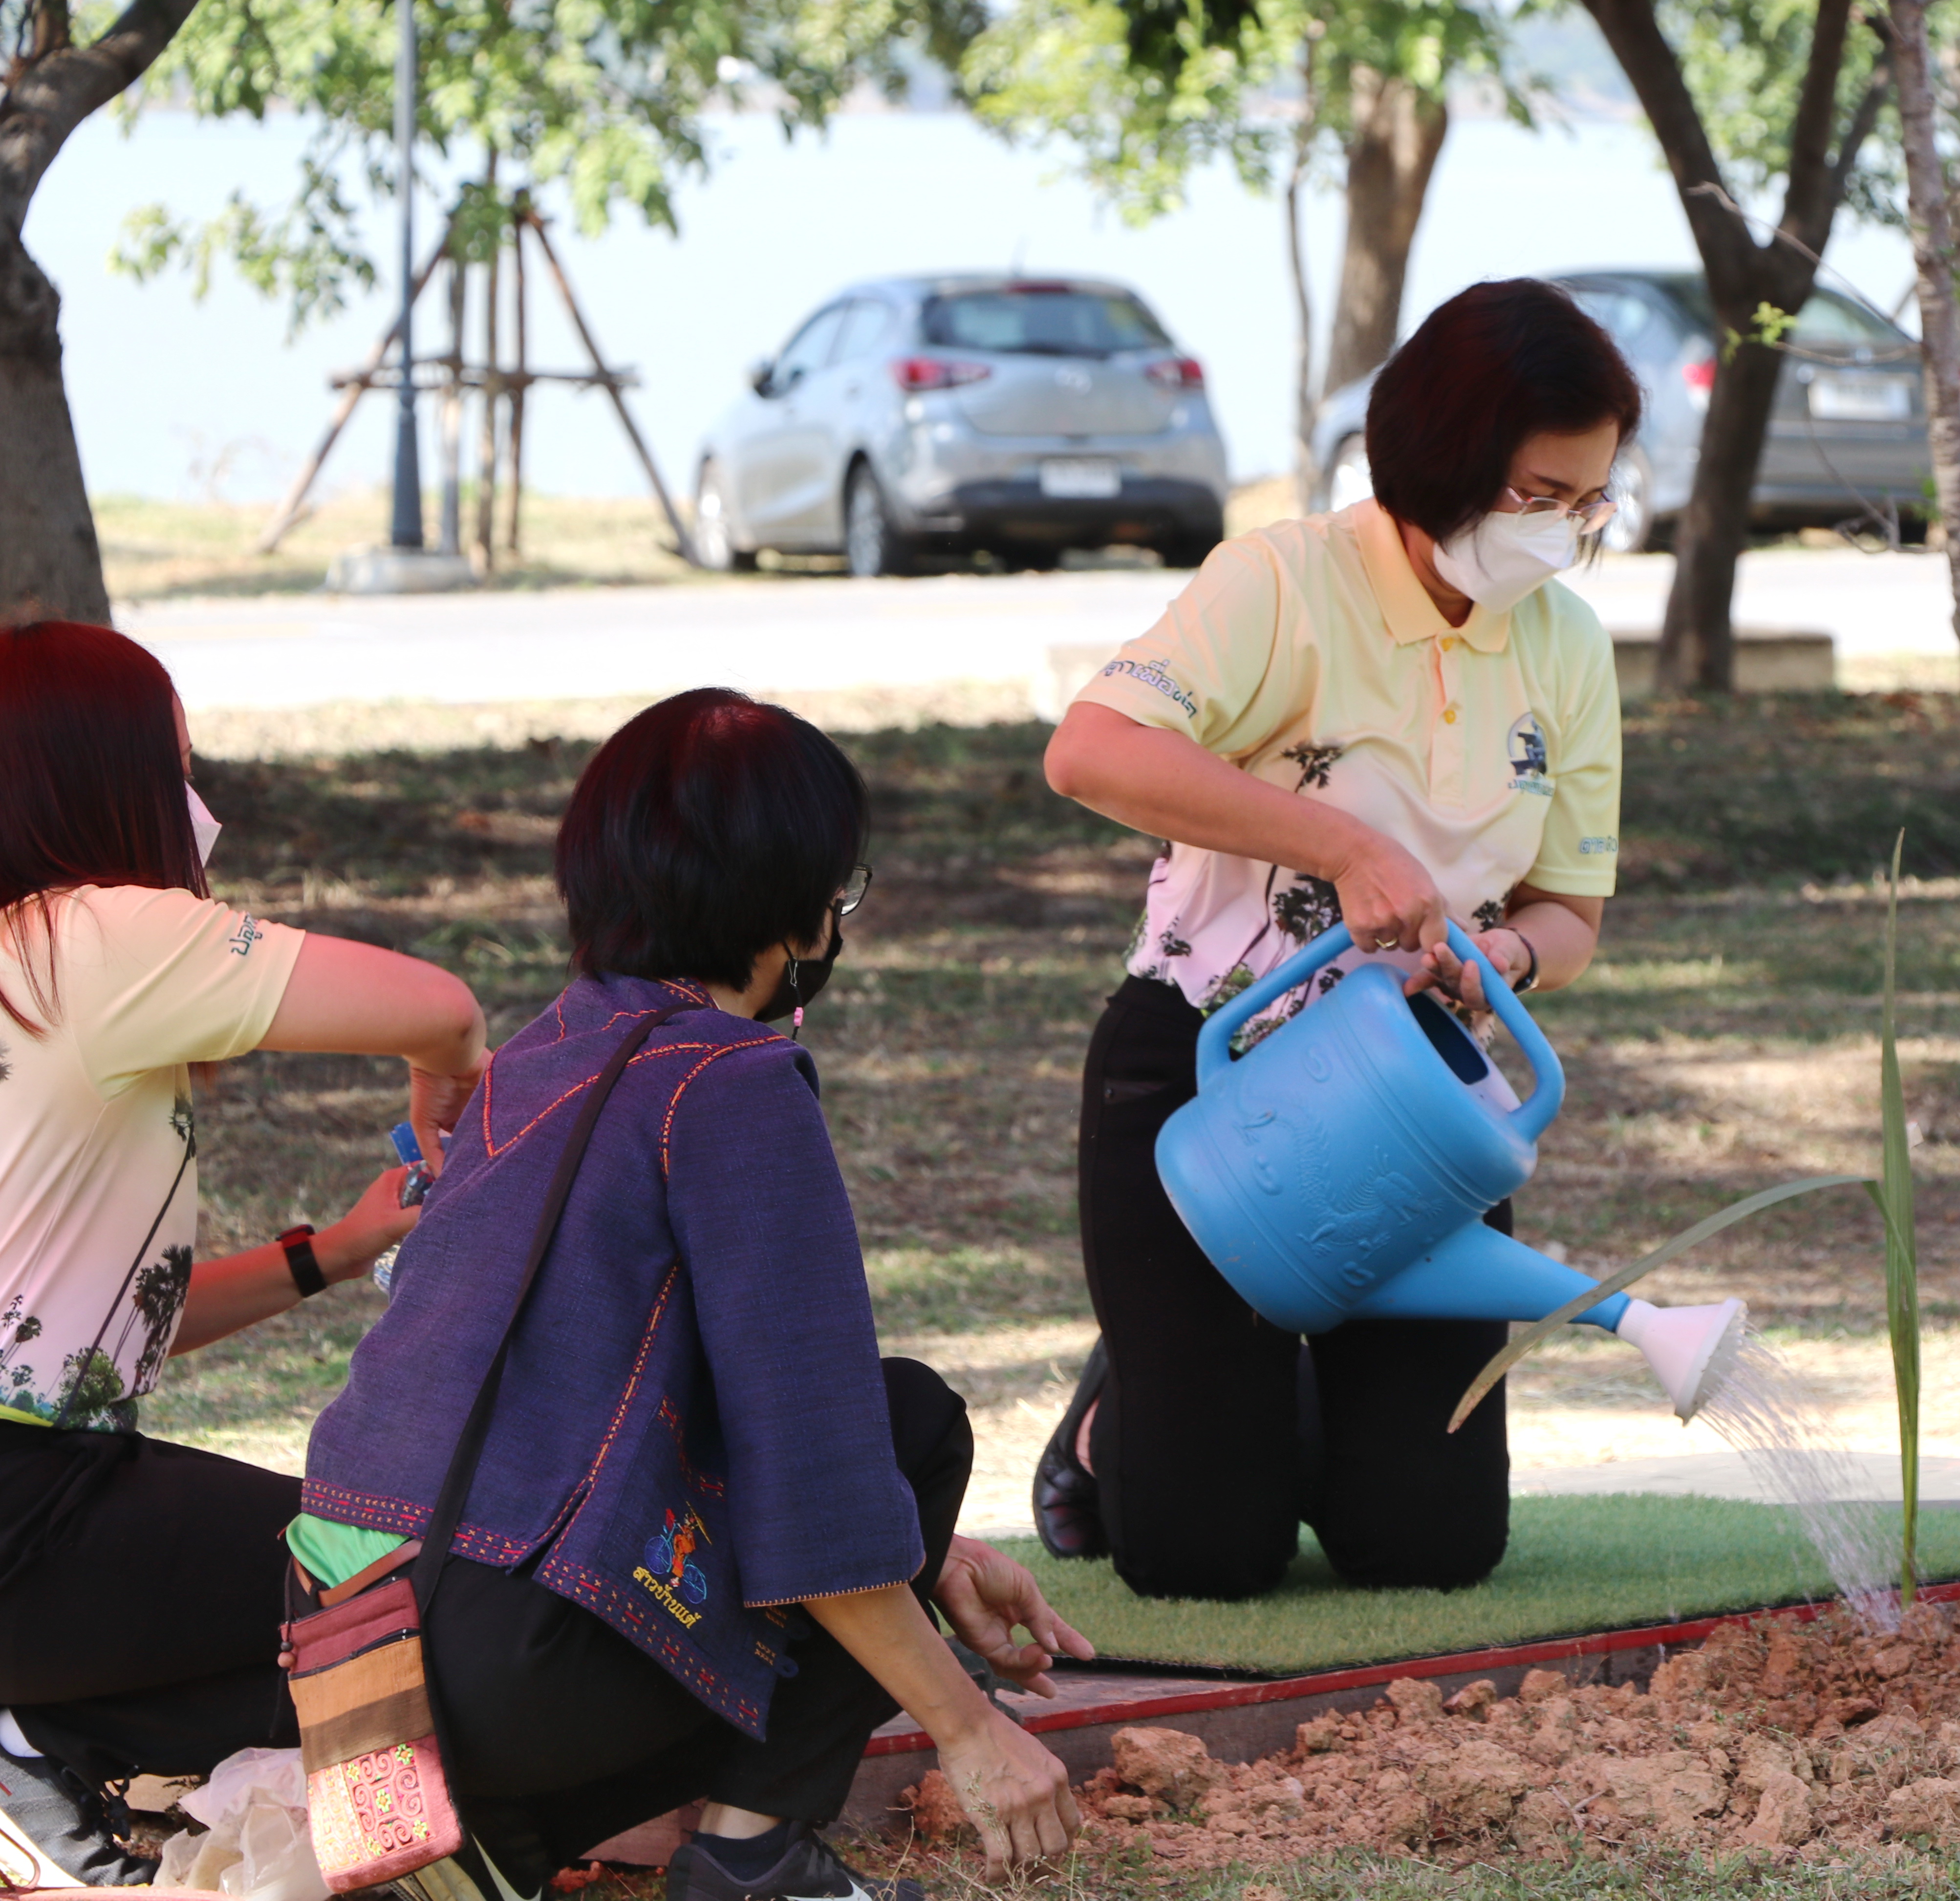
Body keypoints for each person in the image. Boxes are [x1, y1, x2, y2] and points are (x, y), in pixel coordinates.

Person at [297, 690, 1086, 1901]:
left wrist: (930, 1557)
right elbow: (816, 1466)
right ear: (794, 908)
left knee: (870, 1481)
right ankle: (753, 1855)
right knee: (908, 1424)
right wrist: (969, 1727)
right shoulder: (736, 1082)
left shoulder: (538, 1049)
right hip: (518, 1660)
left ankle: (486, 1834)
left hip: (344, 1636)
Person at [1034, 278, 1638, 1600]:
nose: (1566, 531)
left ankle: (1251, 1394)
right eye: (1540, 495)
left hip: (1415, 1101)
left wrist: (1501, 963)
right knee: (1202, 1559)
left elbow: (1570, 917)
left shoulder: (1571, 650)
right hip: (1209, 1073)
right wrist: (1346, 849)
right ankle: (1123, 1411)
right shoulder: (1285, 581)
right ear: (1445, 461)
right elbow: (1089, 751)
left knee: (1430, 1549)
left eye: (1588, 501)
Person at [0, 622, 488, 1885]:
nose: (196, 801)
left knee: (316, 1594)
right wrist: (448, 1080)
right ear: (100, 779)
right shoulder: (95, 940)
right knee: (386, 1569)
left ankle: (63, 1764)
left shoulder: (18, 968)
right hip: (33, 1515)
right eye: (178, 764)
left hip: (48, 1492)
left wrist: (331, 1253)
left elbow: (94, 1338)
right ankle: (398, 1855)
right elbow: (440, 1005)